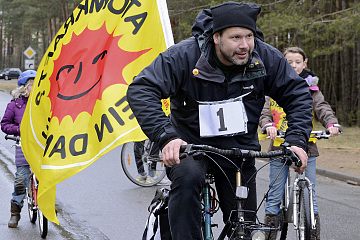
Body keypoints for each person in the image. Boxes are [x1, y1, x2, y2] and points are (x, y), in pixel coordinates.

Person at [127, 2, 313, 239]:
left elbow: (297, 94)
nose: (244, 45)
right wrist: (166, 137)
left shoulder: (265, 57)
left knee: (244, 226)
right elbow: (142, 88)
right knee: (188, 178)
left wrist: (297, 140)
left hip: (239, 149)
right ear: (216, 37)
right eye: (235, 37)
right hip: (190, 146)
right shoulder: (183, 56)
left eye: (249, 36)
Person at [259, 46, 340, 240]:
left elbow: (322, 108)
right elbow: (264, 111)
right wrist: (268, 124)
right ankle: (270, 229)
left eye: (297, 62)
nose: (293, 66)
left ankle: (312, 231)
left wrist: (331, 123)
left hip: (307, 146)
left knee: (310, 190)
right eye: (288, 62)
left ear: (305, 64)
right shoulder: (274, 86)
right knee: (275, 192)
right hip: (278, 146)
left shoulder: (312, 89)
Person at [2, 70, 37, 228]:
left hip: (41, 147)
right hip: (23, 146)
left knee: (49, 177)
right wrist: (19, 130)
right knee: (21, 180)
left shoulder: (43, 102)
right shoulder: (15, 104)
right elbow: (4, 124)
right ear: (24, 87)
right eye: (32, 84)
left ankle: (48, 206)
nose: (35, 87)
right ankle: (15, 214)